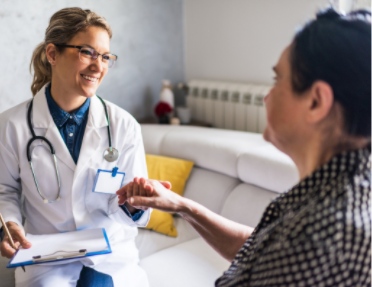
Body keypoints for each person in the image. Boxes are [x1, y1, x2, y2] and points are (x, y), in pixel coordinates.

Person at [118, 8, 371, 286]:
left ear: (316, 102)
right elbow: (261, 250)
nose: (267, 96)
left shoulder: (321, 238)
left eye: (278, 80)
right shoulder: (333, 193)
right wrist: (182, 206)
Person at [0, 8, 152, 287]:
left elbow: (126, 204)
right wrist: (7, 226)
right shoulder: (10, 126)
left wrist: (133, 201)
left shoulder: (124, 126)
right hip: (48, 259)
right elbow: (0, 191)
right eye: (87, 52)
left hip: (111, 255)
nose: (99, 66)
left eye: (105, 56)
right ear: (52, 54)